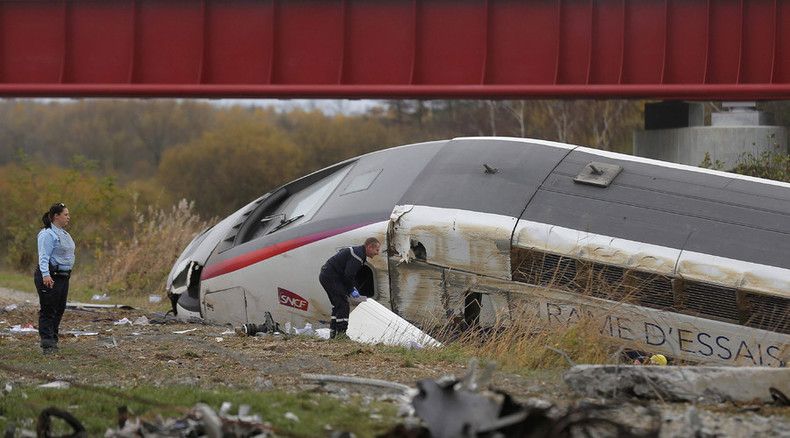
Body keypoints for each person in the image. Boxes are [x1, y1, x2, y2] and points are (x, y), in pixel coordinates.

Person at [34, 202, 75, 355]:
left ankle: (53, 340)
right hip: (50, 276)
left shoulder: (64, 234)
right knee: (48, 309)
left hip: (63, 277)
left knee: (59, 309)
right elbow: (43, 256)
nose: (68, 217)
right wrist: (45, 274)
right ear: (56, 216)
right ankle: (47, 344)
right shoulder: (47, 234)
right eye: (66, 214)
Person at [319, 237, 381, 339]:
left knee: (337, 305)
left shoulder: (358, 252)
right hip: (332, 278)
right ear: (370, 247)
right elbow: (349, 275)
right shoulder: (358, 255)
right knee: (343, 304)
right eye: (377, 250)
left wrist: (351, 288)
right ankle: (341, 334)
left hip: (328, 276)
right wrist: (351, 289)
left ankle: (333, 333)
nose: (377, 253)